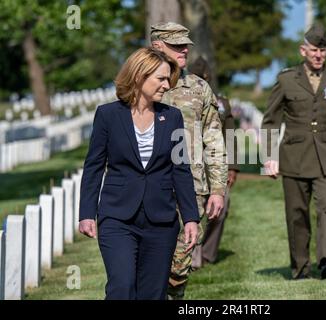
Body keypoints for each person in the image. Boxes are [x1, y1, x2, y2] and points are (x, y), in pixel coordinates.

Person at [78, 47, 199, 300]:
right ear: (139, 76)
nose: (167, 85)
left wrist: (190, 218)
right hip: (117, 218)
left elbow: (181, 169)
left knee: (152, 295)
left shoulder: (173, 117)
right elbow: (94, 166)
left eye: (169, 79)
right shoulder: (107, 115)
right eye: (161, 78)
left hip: (161, 221)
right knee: (121, 287)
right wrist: (87, 213)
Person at [261, 23, 326, 280]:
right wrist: (269, 158)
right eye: (314, 50)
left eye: (323, 50)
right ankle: (301, 267)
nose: (318, 55)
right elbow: (270, 120)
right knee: (297, 213)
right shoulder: (285, 79)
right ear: (303, 50)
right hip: (294, 157)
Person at [150, 22, 228, 299]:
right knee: (147, 263)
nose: (185, 49)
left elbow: (214, 140)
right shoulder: (138, 87)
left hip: (191, 189)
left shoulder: (198, 88)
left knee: (180, 265)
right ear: (157, 46)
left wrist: (218, 189)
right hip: (148, 187)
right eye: (176, 45)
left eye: (186, 44)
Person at [188, 56, 239, 267]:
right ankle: (193, 257)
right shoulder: (182, 99)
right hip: (190, 163)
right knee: (194, 209)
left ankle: (208, 252)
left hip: (216, 164)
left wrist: (233, 167)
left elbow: (230, 136)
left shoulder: (221, 103)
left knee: (221, 207)